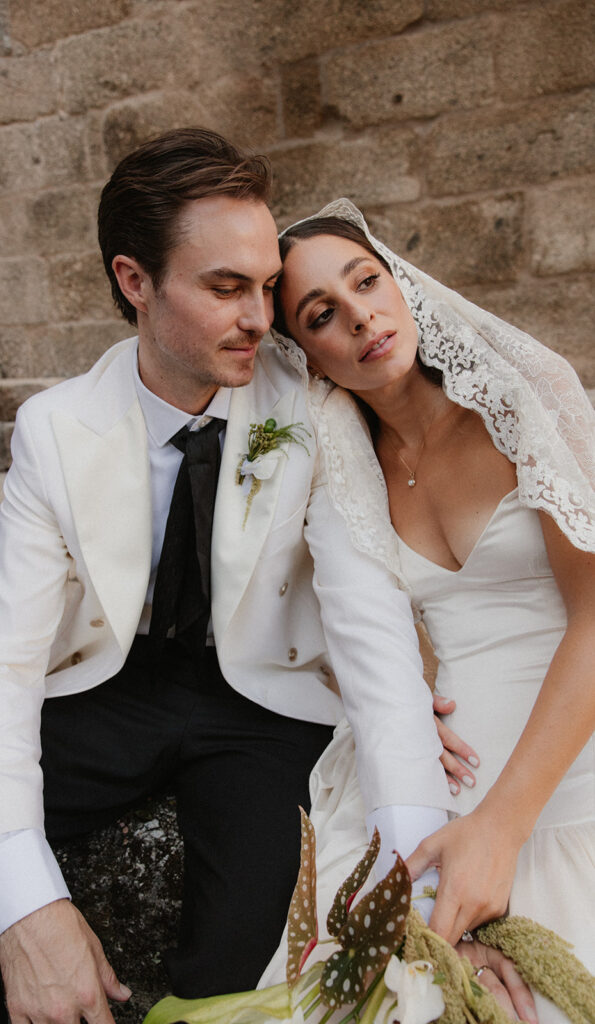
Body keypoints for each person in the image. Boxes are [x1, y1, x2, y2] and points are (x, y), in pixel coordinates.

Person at [0, 135, 464, 1024]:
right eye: (224, 288)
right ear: (135, 282)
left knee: (249, 946)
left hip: (261, 697)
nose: (261, 317)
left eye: (263, 285)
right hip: (110, 685)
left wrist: (419, 843)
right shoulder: (55, 429)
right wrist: (27, 906)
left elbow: (365, 615)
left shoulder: (308, 405)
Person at [264, 198, 595, 1023]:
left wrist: (498, 828)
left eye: (367, 281)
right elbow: (355, 623)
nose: (361, 317)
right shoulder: (346, 465)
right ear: (307, 354)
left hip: (565, 757)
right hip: (448, 777)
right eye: (321, 315)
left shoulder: (523, 402)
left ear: (400, 282)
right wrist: (408, 700)